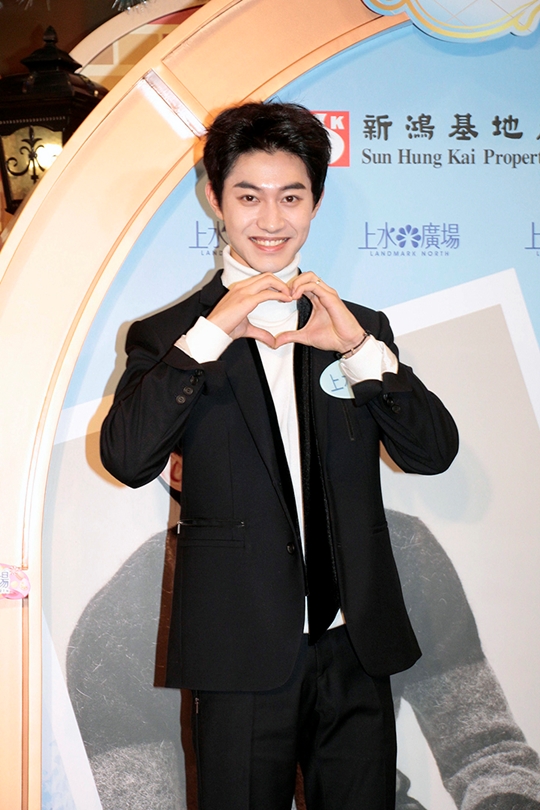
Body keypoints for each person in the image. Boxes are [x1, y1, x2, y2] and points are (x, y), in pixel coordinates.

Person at [100, 101, 459, 810]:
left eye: (291, 197)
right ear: (215, 198)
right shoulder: (169, 336)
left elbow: (432, 452)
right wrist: (210, 336)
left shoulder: (356, 326)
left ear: (315, 202)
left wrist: (357, 349)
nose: (271, 219)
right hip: (238, 653)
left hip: (355, 646)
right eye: (249, 196)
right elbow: (127, 459)